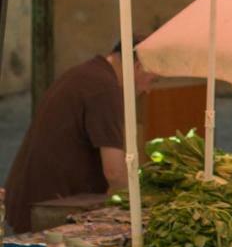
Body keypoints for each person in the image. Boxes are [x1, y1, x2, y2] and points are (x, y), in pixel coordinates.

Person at [4, 42, 156, 233]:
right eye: (152, 80)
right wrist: (142, 211)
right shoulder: (104, 87)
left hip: (32, 202)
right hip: (47, 208)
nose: (148, 89)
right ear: (138, 66)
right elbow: (115, 173)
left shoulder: (88, 74)